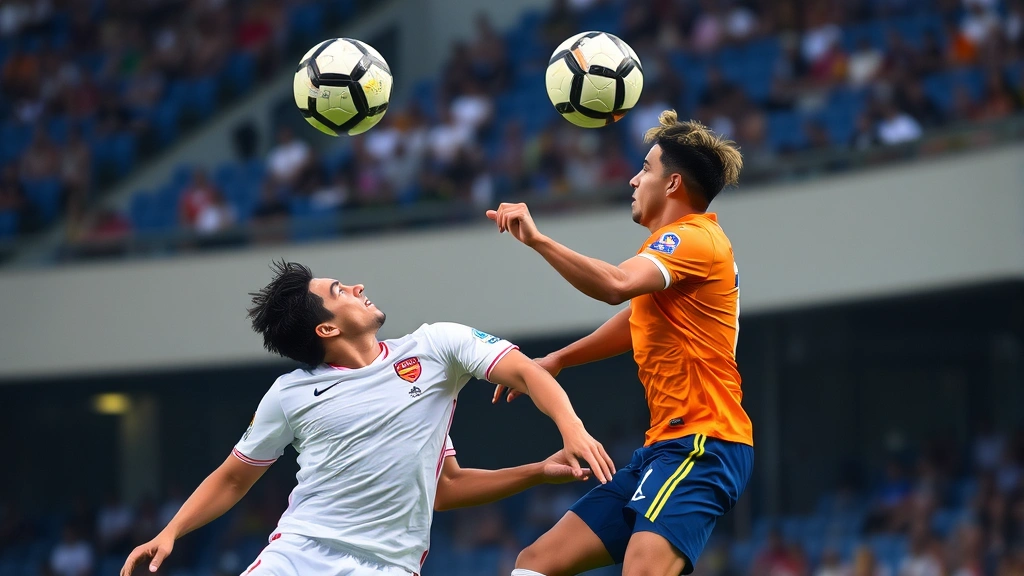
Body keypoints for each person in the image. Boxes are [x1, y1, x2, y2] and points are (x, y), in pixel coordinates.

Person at [121, 261, 613, 576]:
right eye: (340, 290)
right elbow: (232, 479)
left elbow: (525, 375)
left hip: (389, 566)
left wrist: (562, 440)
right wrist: (170, 531)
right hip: (299, 554)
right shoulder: (290, 394)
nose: (357, 285)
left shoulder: (437, 345)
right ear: (327, 326)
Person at [487, 110, 754, 576]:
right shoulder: (675, 252)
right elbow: (636, 317)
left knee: (642, 569)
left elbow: (614, 285)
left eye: (645, 169)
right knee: (536, 563)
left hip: (704, 442)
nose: (633, 180)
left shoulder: (692, 238)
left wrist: (538, 240)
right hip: (665, 446)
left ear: (672, 185)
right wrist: (559, 360)